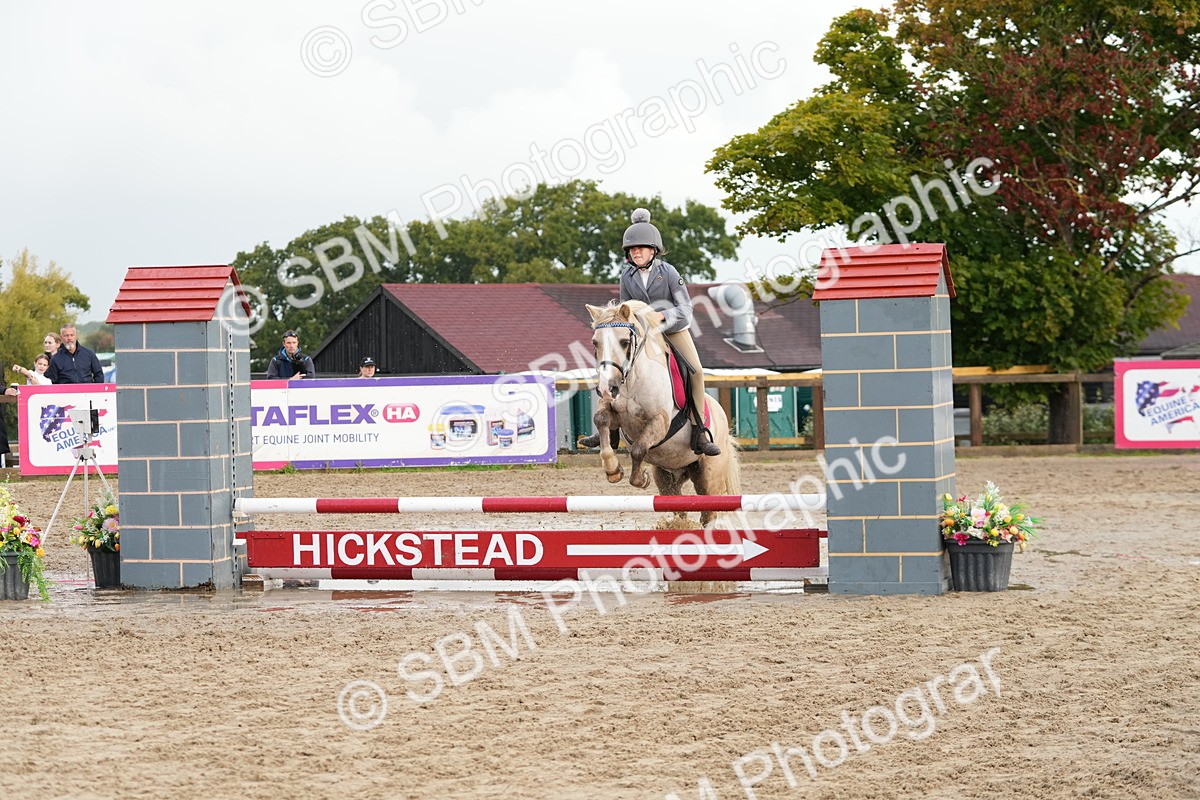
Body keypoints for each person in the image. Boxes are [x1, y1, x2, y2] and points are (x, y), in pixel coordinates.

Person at [580, 208, 721, 456]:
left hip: (671, 330)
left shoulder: (669, 273)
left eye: (641, 248)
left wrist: (663, 315)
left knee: (696, 371)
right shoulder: (627, 275)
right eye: (632, 249)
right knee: (613, 365)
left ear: (654, 250)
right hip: (641, 335)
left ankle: (699, 430)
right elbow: (624, 312)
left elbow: (686, 309)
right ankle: (611, 428)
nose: (636, 252)